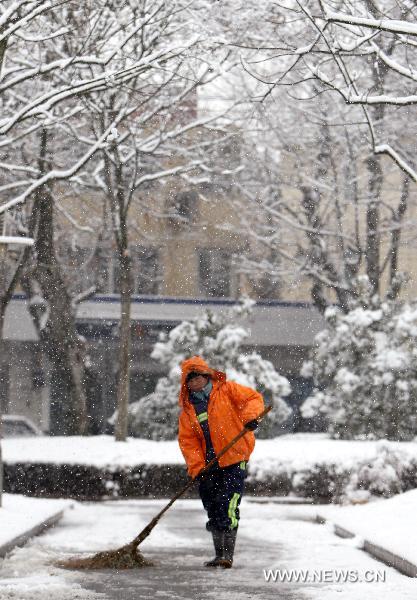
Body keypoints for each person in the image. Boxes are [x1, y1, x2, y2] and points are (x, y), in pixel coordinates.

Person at [178, 355, 264, 568]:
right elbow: (188, 442)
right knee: (213, 505)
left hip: (234, 458)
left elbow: (253, 399)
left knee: (228, 503)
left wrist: (250, 418)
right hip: (208, 466)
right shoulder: (189, 410)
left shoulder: (227, 390)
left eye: (198, 375)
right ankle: (219, 554)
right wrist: (197, 467)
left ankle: (227, 554)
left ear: (206, 375)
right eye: (190, 378)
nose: (195, 380)